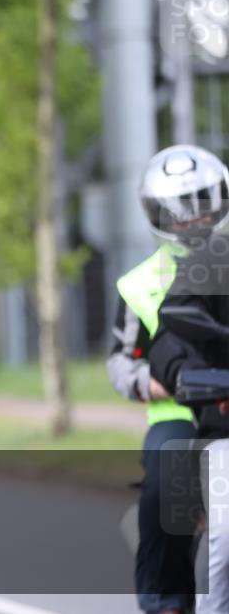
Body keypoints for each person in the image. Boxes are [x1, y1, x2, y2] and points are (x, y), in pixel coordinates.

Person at [107, 145, 229, 614]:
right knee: (167, 479)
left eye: (202, 206)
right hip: (180, 413)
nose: (193, 222)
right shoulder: (138, 284)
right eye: (178, 214)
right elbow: (120, 359)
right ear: (157, 216)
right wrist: (150, 383)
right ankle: (168, 601)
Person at [148, 147, 229, 614]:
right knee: (226, 538)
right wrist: (188, 374)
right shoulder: (214, 259)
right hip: (222, 420)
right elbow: (169, 334)